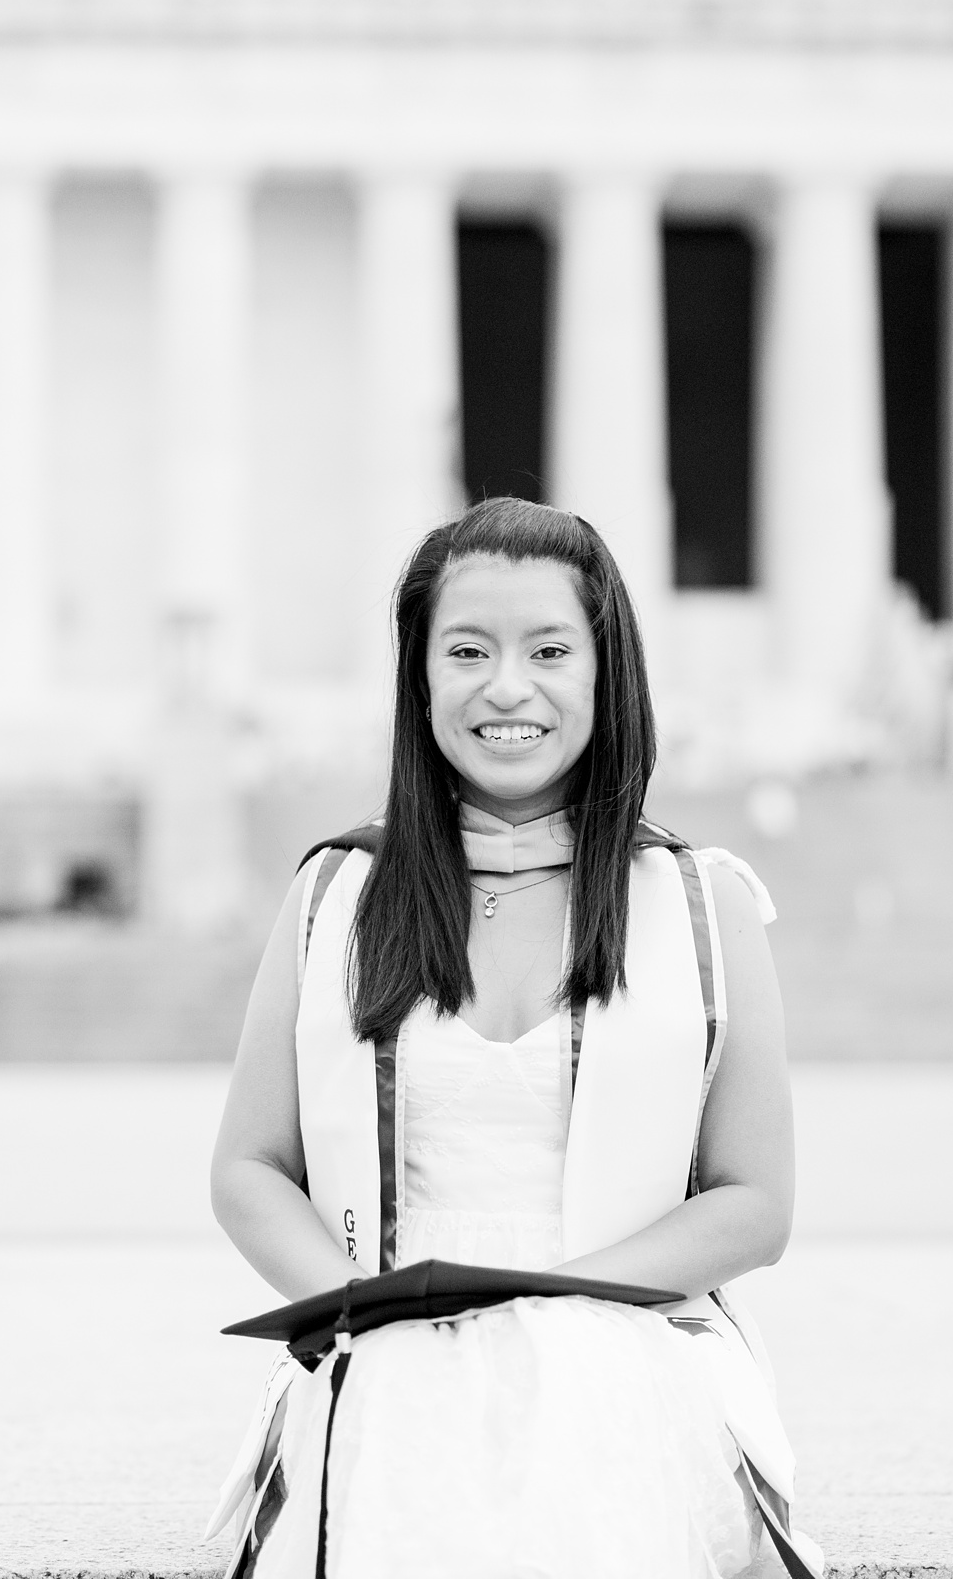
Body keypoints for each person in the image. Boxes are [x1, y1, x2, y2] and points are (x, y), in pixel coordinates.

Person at [205, 498, 820, 1578]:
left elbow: (754, 1202)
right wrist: (356, 1323)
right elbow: (251, 1166)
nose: (507, 687)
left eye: (547, 649)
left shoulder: (698, 901)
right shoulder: (336, 894)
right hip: (385, 1342)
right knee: (403, 1420)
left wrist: (559, 1309)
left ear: (604, 672)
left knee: (578, 1406)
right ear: (420, 677)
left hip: (633, 1335)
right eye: (467, 650)